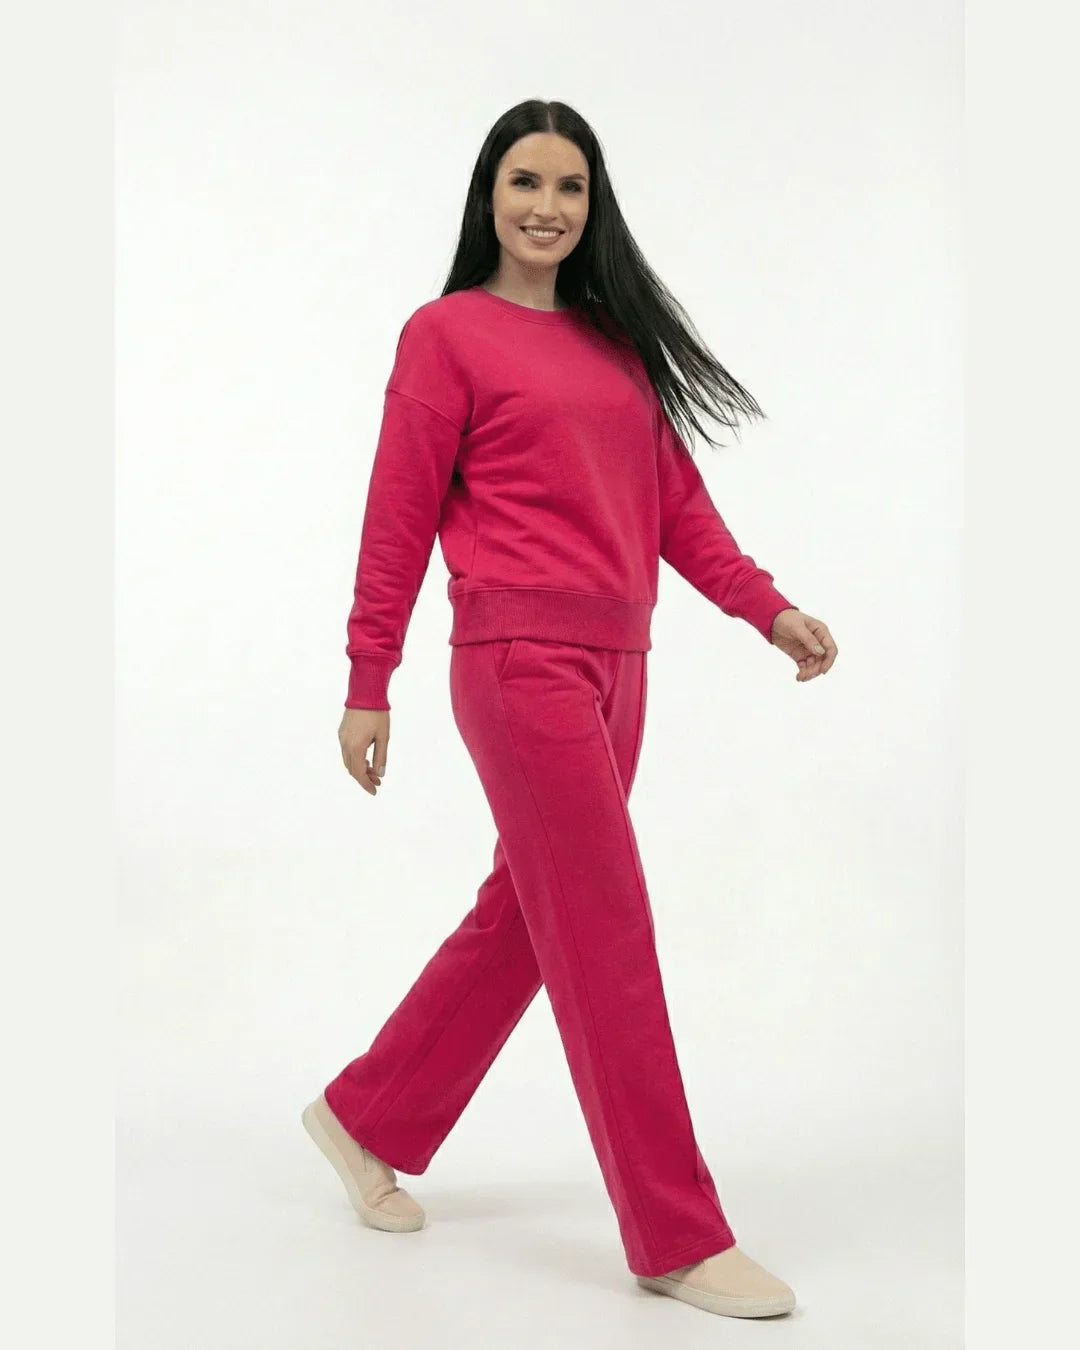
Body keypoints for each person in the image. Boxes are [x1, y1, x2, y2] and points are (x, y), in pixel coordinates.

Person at [302, 98, 838, 1322]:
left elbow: (675, 506)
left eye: (571, 187)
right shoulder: (445, 334)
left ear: (595, 207)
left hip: (618, 662)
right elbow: (395, 519)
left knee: (528, 919)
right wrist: (368, 681)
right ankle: (676, 1235)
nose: (547, 206)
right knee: (605, 929)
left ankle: (366, 1114)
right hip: (516, 662)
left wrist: (768, 609)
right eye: (526, 181)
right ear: (488, 194)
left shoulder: (616, 345)